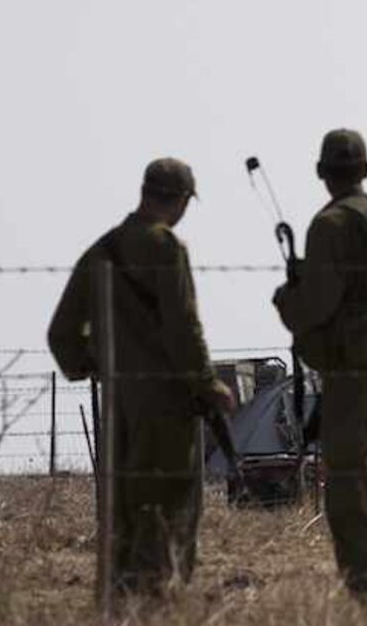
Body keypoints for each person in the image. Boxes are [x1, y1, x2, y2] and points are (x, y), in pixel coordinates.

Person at [47, 158, 234, 596]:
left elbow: (61, 335)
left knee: (123, 510)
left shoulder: (101, 251)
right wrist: (208, 384)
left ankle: (119, 601)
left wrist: (97, 367)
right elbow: (183, 329)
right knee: (168, 509)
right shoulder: (167, 249)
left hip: (117, 405)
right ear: (182, 201)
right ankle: (158, 602)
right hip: (167, 406)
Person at [273, 129, 367, 596]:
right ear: (366, 170)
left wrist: (286, 301)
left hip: (355, 368)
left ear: (322, 173)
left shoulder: (330, 226)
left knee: (351, 479)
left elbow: (317, 302)